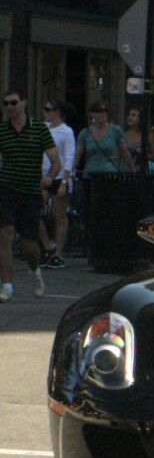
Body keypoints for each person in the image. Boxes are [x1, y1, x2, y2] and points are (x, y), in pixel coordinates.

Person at [0, 90, 62, 301]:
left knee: (28, 244)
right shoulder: (2, 130)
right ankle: (7, 285)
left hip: (30, 191)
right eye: (6, 103)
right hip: (6, 188)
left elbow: (56, 161)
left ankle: (35, 271)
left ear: (24, 103)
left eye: (13, 102)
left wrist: (49, 178)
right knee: (5, 234)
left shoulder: (39, 129)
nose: (9, 107)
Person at [37, 99, 76, 268]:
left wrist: (65, 182)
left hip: (60, 176)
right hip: (45, 176)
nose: (45, 112)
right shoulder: (43, 128)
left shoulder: (66, 132)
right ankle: (48, 246)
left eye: (48, 109)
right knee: (33, 211)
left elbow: (69, 156)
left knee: (59, 216)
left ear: (58, 112)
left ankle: (58, 254)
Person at [123, 105, 154, 171]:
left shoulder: (147, 135)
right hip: (124, 171)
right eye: (129, 115)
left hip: (140, 171)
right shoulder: (123, 135)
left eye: (133, 115)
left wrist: (142, 154)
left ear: (140, 119)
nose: (129, 117)